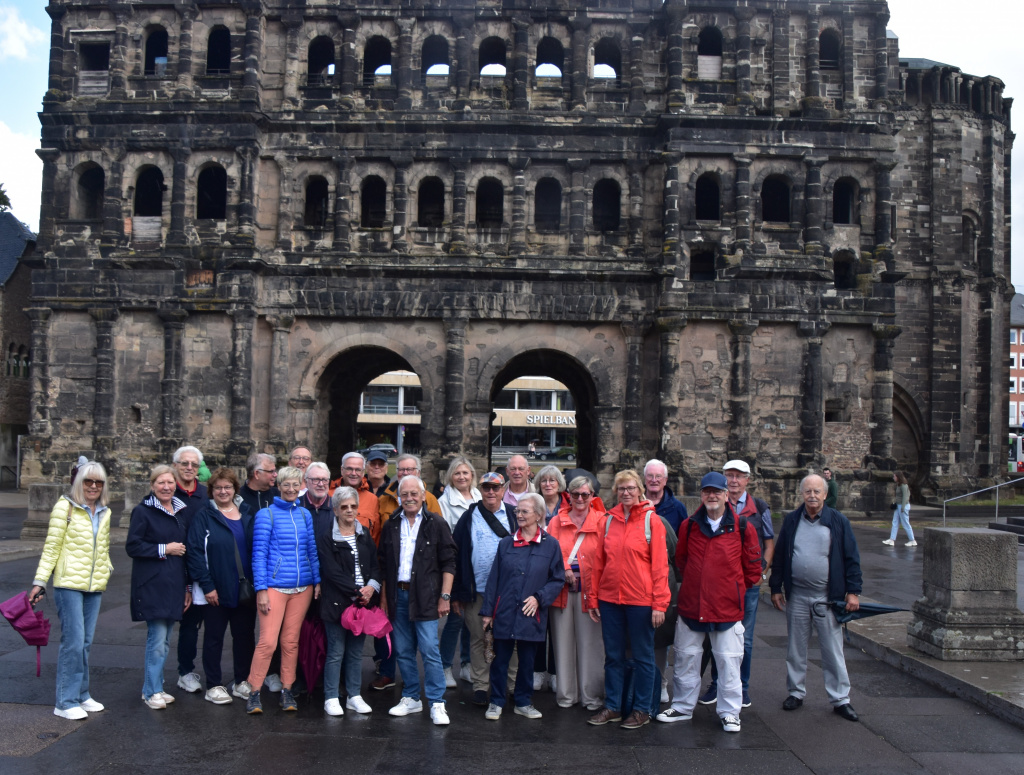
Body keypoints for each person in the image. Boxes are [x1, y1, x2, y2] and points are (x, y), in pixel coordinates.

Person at [656, 472, 760, 733]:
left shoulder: (743, 527)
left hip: (726, 608)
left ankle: (729, 712)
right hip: (692, 605)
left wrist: (729, 589)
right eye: (707, 492)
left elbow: (752, 570)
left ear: (726, 495)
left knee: (728, 662)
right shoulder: (689, 526)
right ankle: (682, 706)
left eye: (717, 492)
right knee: (686, 659)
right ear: (701, 495)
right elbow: (681, 561)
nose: (712, 496)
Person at [770, 474, 862, 722]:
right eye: (808, 491)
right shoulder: (791, 521)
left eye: (817, 491)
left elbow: (851, 557)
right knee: (795, 649)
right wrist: (775, 587)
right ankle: (796, 692)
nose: (812, 496)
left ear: (825, 494)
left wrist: (853, 591)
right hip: (797, 596)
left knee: (832, 650)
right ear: (802, 494)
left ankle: (840, 699)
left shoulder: (838, 521)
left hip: (827, 598)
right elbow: (779, 557)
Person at [587, 470, 671, 730]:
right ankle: (613, 706)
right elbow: (598, 563)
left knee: (644, 657)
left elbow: (660, 567)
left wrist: (659, 604)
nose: (626, 492)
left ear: (639, 490)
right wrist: (593, 599)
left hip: (640, 601)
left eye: (631, 488)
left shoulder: (651, 521)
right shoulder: (607, 521)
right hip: (611, 599)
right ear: (616, 491)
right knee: (613, 656)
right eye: (621, 488)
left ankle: (641, 709)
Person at [29, 461, 112, 720]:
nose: (94, 486)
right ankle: (64, 701)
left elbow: (103, 547)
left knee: (85, 643)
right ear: (79, 483)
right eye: (88, 481)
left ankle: (82, 695)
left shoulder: (104, 511)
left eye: (98, 482)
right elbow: (52, 546)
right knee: (73, 642)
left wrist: (106, 568)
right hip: (68, 584)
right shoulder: (64, 507)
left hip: (93, 584)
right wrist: (40, 581)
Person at [378, 475, 457, 726]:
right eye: (405, 494)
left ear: (424, 496)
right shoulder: (391, 524)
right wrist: (383, 598)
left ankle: (437, 702)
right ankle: (411, 696)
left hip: (426, 595)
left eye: (414, 494)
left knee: (430, 650)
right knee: (402, 650)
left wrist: (445, 596)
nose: (410, 498)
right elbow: (383, 564)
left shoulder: (436, 523)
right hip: (397, 594)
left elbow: (449, 562)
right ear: (399, 497)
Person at [480, 493, 565, 720]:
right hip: (505, 610)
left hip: (532, 613)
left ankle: (523, 702)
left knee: (527, 662)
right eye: (517, 511)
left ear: (538, 515)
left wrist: (539, 598)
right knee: (500, 661)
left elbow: (557, 579)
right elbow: (494, 579)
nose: (519, 515)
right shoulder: (506, 543)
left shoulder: (551, 545)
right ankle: (496, 702)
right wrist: (488, 612)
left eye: (524, 511)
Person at [698, 459, 775, 708]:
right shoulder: (713, 503)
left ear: (747, 480)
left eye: (739, 476)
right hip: (721, 585)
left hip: (748, 585)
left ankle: (741, 687)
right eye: (729, 476)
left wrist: (761, 572)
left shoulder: (759, 507)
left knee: (745, 639)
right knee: (717, 636)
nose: (734, 481)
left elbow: (769, 542)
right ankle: (717, 685)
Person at [244, 466, 321, 715]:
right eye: (286, 484)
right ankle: (254, 690)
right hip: (275, 587)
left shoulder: (305, 515)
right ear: (279, 486)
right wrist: (261, 590)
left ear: (301, 486)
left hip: (303, 588)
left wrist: (317, 580)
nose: (290, 489)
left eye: (295, 484)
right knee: (267, 642)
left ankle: (287, 689)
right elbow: (259, 555)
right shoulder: (266, 514)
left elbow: (311, 550)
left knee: (290, 641)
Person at [185, 467, 257, 706]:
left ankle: (241, 681)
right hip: (216, 589)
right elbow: (195, 553)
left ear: (235, 489)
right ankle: (214, 685)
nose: (223, 491)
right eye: (218, 488)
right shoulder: (204, 517)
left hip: (245, 588)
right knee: (214, 638)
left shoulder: (246, 513)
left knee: (244, 637)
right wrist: (207, 586)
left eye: (227, 487)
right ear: (211, 491)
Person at [126, 465, 190, 709]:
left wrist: (186, 587)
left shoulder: (179, 511)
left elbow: (184, 553)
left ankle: (154, 687)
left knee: (164, 641)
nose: (166, 487)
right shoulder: (142, 512)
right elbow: (133, 546)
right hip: (152, 583)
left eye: (170, 483)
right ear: (152, 485)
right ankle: (152, 689)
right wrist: (165, 548)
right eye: (161, 483)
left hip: (173, 583)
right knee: (156, 639)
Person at [451, 471, 518, 706]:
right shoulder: (468, 517)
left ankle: (512, 685)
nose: (491, 492)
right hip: (476, 589)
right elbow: (456, 555)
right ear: (480, 490)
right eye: (486, 487)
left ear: (503, 490)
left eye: (496, 487)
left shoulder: (514, 514)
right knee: (478, 638)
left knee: (510, 639)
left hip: (509, 591)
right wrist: (457, 593)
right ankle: (481, 686)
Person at [317, 486, 381, 716]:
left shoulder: (364, 535)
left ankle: (354, 695)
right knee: (336, 652)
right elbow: (332, 572)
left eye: (353, 506)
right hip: (337, 602)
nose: (349, 510)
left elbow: (375, 565)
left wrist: (371, 587)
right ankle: (331, 696)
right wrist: (356, 591)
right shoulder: (327, 538)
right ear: (335, 510)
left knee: (355, 652)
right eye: (344, 507)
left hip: (361, 604)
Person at [546, 475, 605, 711]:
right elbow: (548, 551)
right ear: (567, 495)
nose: (580, 498)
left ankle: (591, 696)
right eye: (575, 494)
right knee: (563, 644)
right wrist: (565, 567)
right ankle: (567, 695)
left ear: (593, 496)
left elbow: (605, 555)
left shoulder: (602, 520)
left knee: (591, 644)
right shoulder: (556, 521)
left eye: (585, 494)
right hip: (562, 589)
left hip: (591, 590)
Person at [436, 455, 481, 688]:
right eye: (457, 473)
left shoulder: (481, 496)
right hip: (457, 565)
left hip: (478, 566)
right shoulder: (444, 502)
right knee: (455, 618)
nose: (462, 477)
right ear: (451, 477)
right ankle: (445, 667)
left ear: (472, 475)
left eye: (466, 472)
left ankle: (466, 664)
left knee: (471, 620)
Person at [171, 445, 211, 695]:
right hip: (174, 565)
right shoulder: (166, 490)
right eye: (184, 464)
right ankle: (184, 671)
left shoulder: (205, 496)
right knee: (184, 624)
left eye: (194, 465)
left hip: (200, 565)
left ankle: (206, 672)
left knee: (203, 623)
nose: (189, 468)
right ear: (175, 465)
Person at [377, 454, 441, 521]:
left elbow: (438, 527)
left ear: (418, 473)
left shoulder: (430, 499)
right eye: (401, 469)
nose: (405, 473)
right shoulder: (384, 499)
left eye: (410, 469)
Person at [335, 452, 381, 544]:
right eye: (349, 469)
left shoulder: (372, 499)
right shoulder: (330, 495)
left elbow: (375, 536)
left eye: (358, 470)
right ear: (342, 470)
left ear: (363, 472)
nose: (353, 473)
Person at [643, 459, 688, 536]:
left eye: (658, 476)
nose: (654, 480)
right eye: (650, 476)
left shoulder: (678, 508)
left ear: (665, 480)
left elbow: (683, 540)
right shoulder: (634, 505)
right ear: (645, 479)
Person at [300, 462, 335, 537]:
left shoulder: (337, 508)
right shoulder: (295, 506)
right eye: (315, 480)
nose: (321, 484)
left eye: (325, 480)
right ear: (306, 482)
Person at [884, 471, 915, 547]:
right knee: (895, 522)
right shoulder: (899, 485)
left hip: (902, 506)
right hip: (898, 505)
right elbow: (899, 496)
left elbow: (905, 496)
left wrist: (903, 507)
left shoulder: (903, 485)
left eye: (894, 476)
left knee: (905, 523)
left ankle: (912, 540)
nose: (893, 478)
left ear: (898, 477)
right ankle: (892, 539)